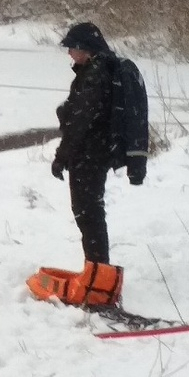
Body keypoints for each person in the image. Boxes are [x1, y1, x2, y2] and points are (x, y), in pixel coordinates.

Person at [51, 22, 117, 266]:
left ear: (85, 49)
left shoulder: (95, 76)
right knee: (89, 213)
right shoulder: (97, 71)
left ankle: (99, 274)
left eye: (71, 48)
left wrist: (62, 156)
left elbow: (80, 123)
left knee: (88, 214)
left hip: (89, 154)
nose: (69, 53)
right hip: (94, 152)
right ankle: (97, 270)